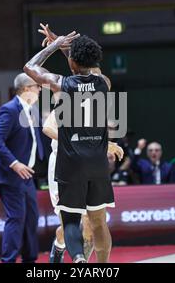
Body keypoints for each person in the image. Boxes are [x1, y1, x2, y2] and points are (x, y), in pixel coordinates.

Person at [24, 30, 115, 263]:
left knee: (71, 220)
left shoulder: (61, 84)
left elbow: (30, 67)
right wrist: (68, 49)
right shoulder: (104, 83)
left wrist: (55, 45)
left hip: (71, 163)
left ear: (72, 62)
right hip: (97, 163)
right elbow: (83, 65)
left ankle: (78, 259)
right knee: (98, 222)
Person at [0, 73, 45, 263]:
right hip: (9, 173)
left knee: (31, 220)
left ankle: (30, 260)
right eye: (37, 86)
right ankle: (9, 260)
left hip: (27, 174)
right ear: (26, 88)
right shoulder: (9, 109)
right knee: (17, 218)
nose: (40, 89)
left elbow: (37, 139)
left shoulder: (32, 110)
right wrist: (14, 163)